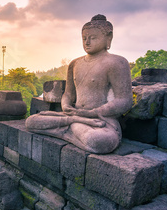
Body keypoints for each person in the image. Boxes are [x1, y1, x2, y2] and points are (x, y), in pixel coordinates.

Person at [26, 15, 132, 154]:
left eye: (93, 38)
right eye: (84, 38)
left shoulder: (116, 63)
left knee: (100, 140)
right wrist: (66, 106)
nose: (87, 42)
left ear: (108, 38)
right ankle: (72, 123)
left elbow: (124, 100)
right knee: (31, 121)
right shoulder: (75, 63)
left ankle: (67, 127)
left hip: (100, 122)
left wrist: (93, 112)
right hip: (74, 116)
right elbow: (68, 94)